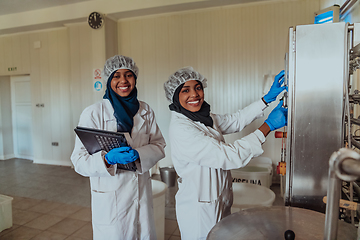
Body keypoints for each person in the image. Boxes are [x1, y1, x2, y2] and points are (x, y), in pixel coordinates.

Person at [163, 66, 287, 240]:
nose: (195, 94)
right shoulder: (182, 128)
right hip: (199, 209)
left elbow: (234, 121)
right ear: (175, 97)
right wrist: (267, 126)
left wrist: (266, 99)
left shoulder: (203, 117)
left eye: (198, 87)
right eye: (185, 90)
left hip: (218, 199)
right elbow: (228, 156)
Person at [71, 55, 166, 240]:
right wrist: (107, 159)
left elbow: (159, 145)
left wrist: (139, 154)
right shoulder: (93, 113)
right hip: (111, 201)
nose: (123, 80)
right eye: (116, 76)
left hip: (141, 196)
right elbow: (78, 160)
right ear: (109, 80)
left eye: (128, 75)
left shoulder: (145, 110)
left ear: (135, 78)